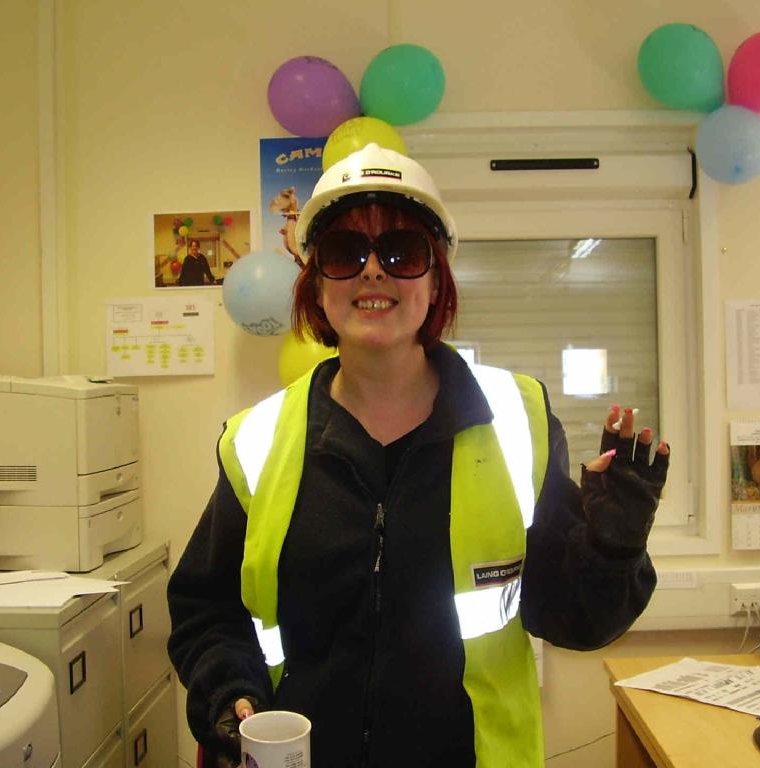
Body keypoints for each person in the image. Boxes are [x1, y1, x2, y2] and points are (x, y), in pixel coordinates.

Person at [167, 143, 670, 768]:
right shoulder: (256, 440)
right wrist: (230, 686)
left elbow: (574, 620)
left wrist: (612, 549)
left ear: (436, 282)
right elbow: (206, 608)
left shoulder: (518, 420)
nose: (372, 272)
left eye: (401, 252)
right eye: (345, 253)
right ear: (317, 283)